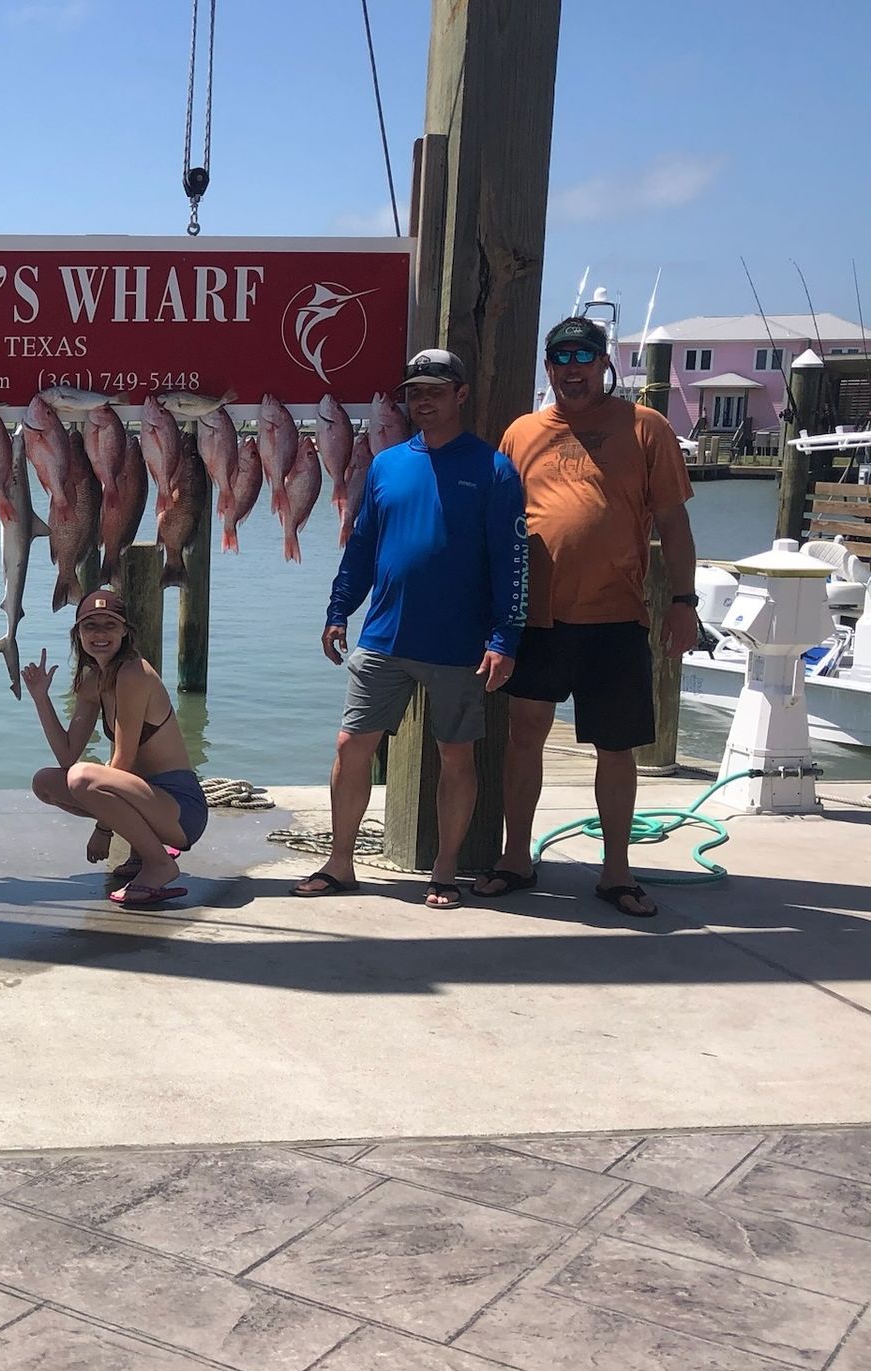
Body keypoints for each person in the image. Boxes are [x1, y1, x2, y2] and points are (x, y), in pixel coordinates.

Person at [477, 316, 698, 919]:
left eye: (583, 357)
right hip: (536, 617)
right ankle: (515, 857)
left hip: (616, 615)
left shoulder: (645, 427)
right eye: (560, 357)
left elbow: (675, 525)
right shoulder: (521, 432)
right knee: (524, 737)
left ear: (604, 364)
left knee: (616, 746)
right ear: (547, 367)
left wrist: (684, 601)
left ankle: (616, 870)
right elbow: (496, 528)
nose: (572, 368)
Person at [298, 349, 528, 908]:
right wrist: (337, 610)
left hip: (457, 646)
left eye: (436, 391)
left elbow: (513, 560)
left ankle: (445, 871)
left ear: (461, 395)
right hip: (383, 637)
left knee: (456, 756)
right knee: (351, 745)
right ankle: (341, 862)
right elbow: (362, 547)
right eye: (415, 392)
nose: (423, 401)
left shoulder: (494, 469)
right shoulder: (386, 464)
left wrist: (505, 640)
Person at [24, 589, 208, 906]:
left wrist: (103, 830)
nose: (100, 634)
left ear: (125, 631)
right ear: (77, 633)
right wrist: (41, 697)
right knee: (46, 782)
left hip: (181, 808)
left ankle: (160, 863)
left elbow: (123, 760)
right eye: (90, 625)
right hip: (146, 799)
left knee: (83, 777)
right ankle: (142, 852)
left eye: (109, 625)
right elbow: (67, 754)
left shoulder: (134, 673)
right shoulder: (93, 680)